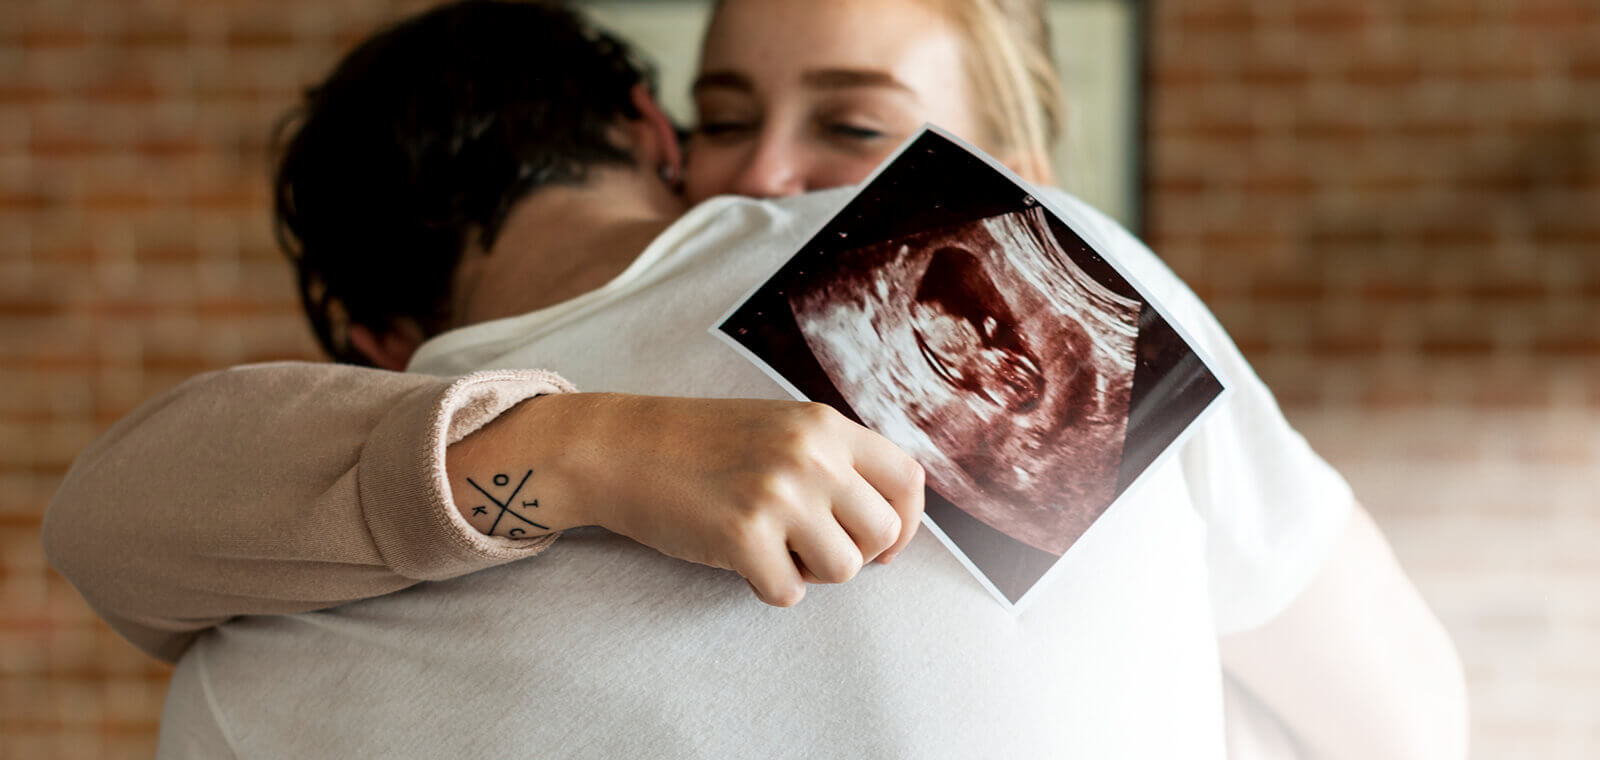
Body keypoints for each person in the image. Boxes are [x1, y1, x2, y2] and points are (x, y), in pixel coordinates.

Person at [41, 1, 1467, 758]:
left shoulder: (253, 648)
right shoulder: (963, 267)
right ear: (656, 132)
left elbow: (102, 525)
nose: (777, 179)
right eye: (732, 121)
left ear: (361, 335)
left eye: (851, 124)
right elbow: (1407, 727)